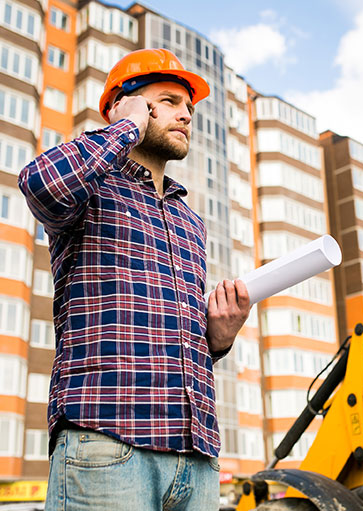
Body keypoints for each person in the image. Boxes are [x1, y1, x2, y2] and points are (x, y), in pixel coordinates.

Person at [18, 48, 250, 510]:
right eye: (168, 100)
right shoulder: (92, 185)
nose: (187, 114)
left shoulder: (191, 223)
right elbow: (40, 184)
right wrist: (124, 129)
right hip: (108, 444)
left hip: (196, 460)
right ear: (124, 104)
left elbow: (178, 343)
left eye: (190, 107)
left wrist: (218, 340)